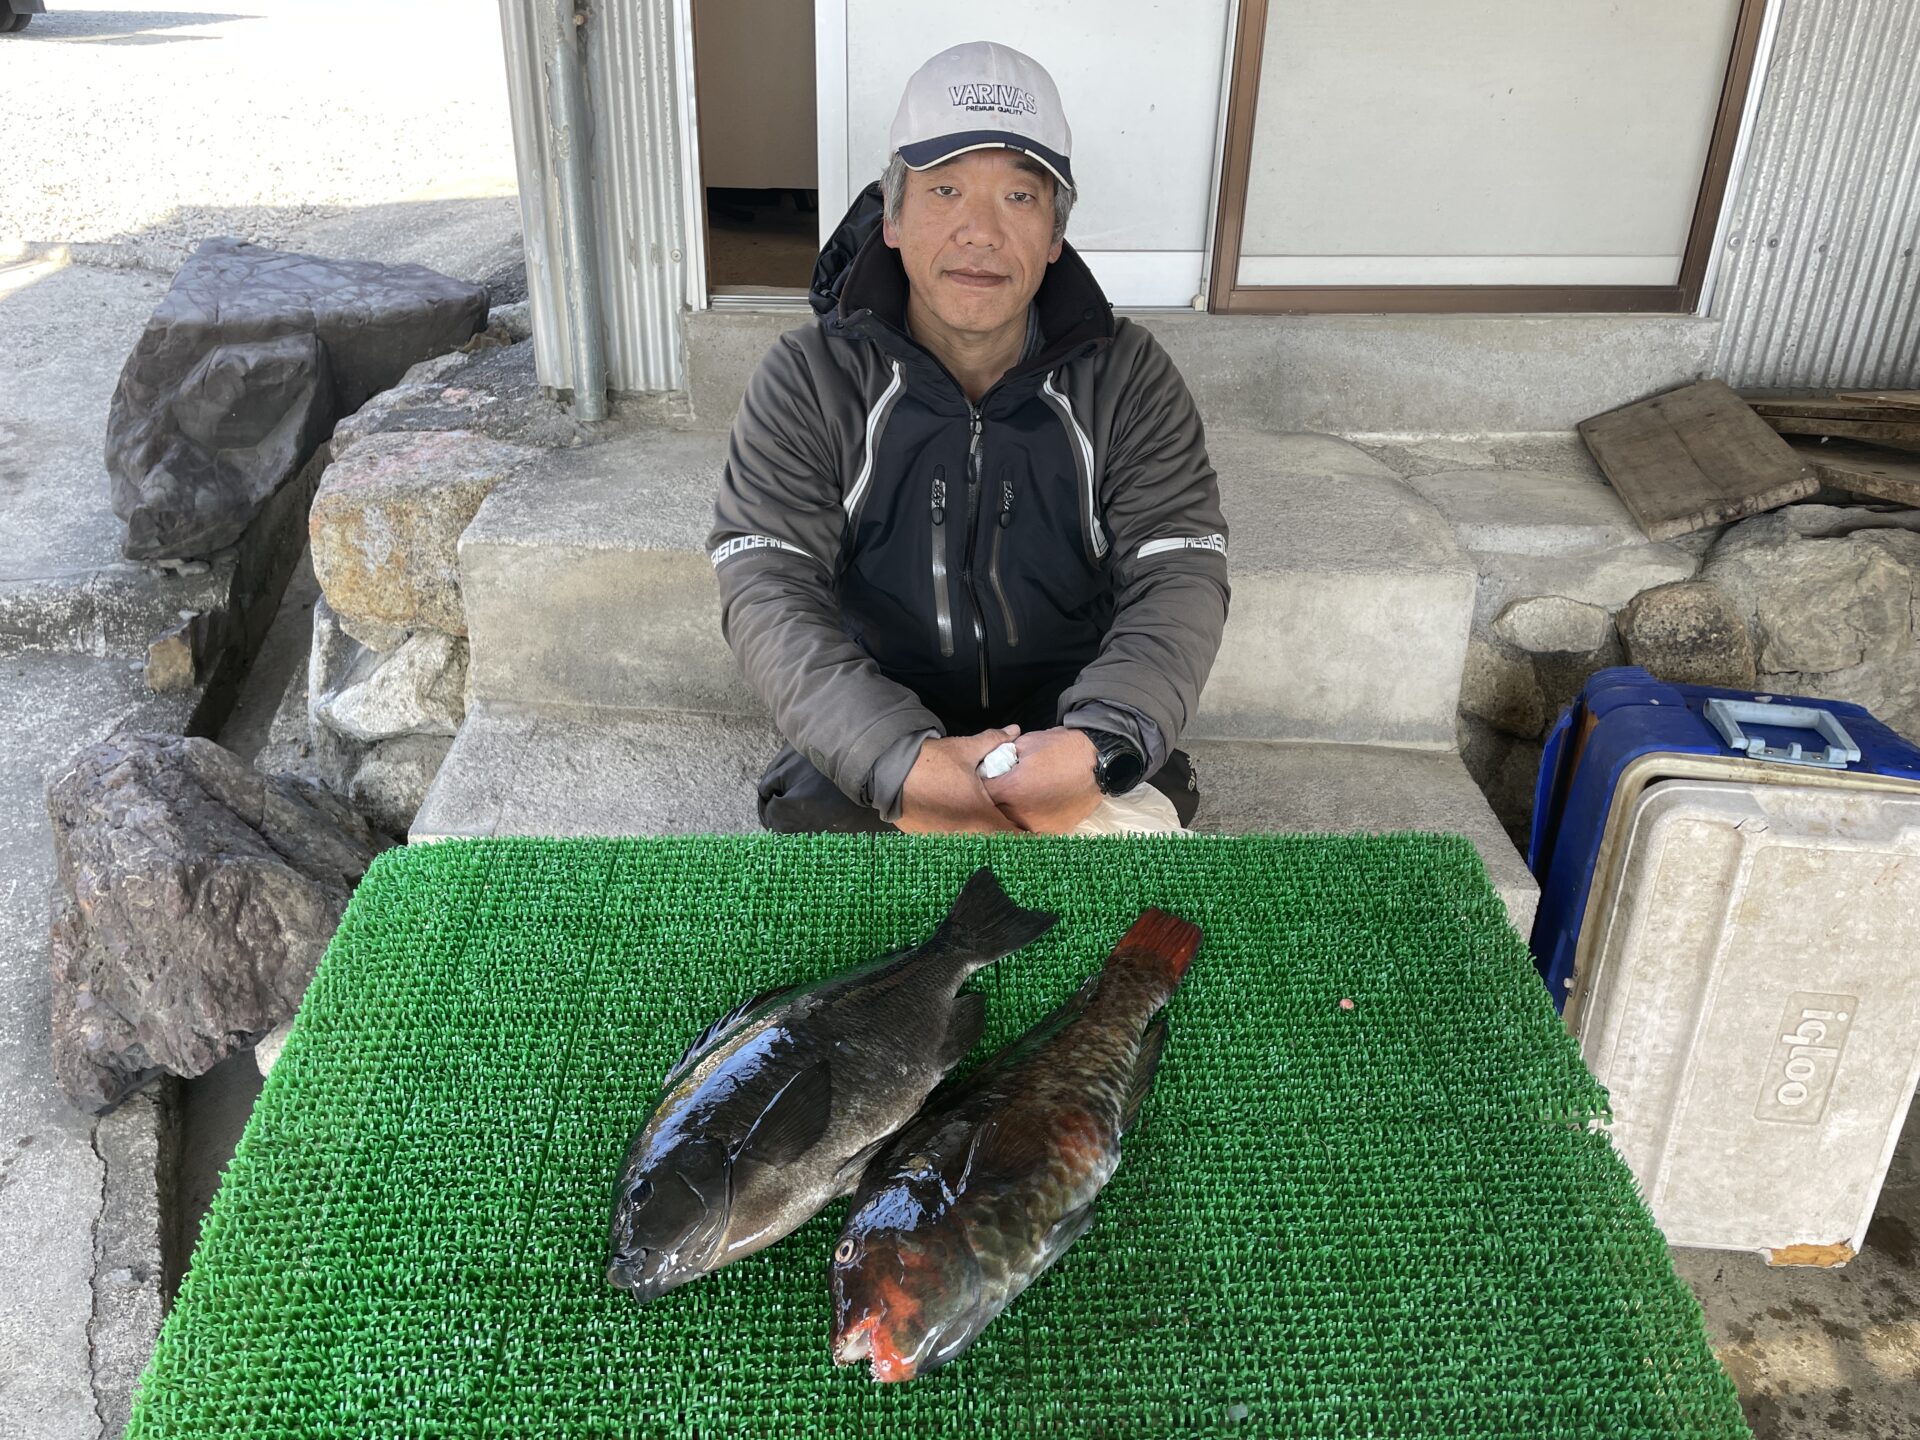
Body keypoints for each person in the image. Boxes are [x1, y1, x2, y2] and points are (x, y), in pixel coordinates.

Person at [707, 40, 1229, 836]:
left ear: (1054, 235)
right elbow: (767, 584)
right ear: (892, 216)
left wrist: (1101, 742)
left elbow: (1180, 570)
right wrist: (896, 759)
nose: (980, 232)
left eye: (1019, 197)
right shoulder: (808, 376)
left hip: (1066, 720)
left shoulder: (1128, 376)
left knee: (1141, 797)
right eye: (945, 190)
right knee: (814, 816)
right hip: (885, 713)